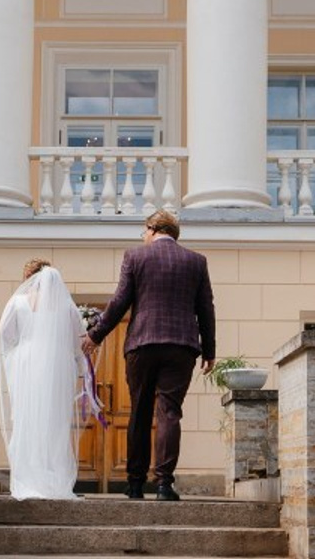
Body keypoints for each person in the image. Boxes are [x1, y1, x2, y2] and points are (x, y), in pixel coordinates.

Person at [81, 210, 215, 501]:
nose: (143, 237)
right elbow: (206, 308)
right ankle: (164, 484)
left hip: (142, 344)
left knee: (139, 412)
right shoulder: (196, 261)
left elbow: (120, 301)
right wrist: (210, 351)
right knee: (170, 412)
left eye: (144, 231)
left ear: (153, 228)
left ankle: (135, 484)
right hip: (181, 347)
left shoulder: (135, 257)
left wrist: (95, 335)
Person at [0, 259, 101, 500]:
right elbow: (78, 342)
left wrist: (20, 351)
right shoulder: (67, 307)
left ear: (29, 279)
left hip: (27, 366)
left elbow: (4, 335)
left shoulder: (18, 302)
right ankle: (53, 480)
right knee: (55, 422)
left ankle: (27, 479)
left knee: (27, 418)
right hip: (57, 366)